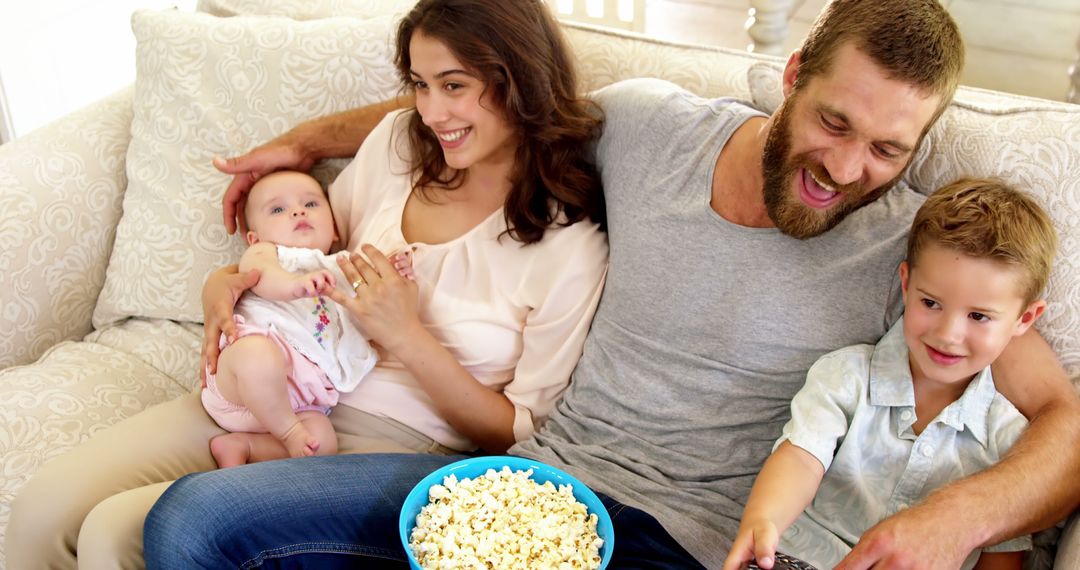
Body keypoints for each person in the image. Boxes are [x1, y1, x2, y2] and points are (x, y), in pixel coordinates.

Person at [144, 1, 1080, 568]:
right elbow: (494, 101)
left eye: (888, 148)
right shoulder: (649, 130)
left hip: (674, 546)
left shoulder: (908, 255)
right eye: (834, 122)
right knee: (192, 525)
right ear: (791, 77)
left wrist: (959, 518)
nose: (843, 166)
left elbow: (1065, 423)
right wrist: (312, 143)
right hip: (515, 488)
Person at [5, 0, 608, 566]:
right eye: (421, 85)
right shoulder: (400, 145)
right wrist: (225, 280)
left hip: (396, 443)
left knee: (117, 532)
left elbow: (518, 433)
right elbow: (305, 252)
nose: (431, 111)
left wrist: (406, 334)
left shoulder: (567, 244)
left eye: (454, 86)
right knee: (44, 511)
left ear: (521, 81)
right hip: (279, 380)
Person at [723, 178, 1058, 570]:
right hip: (805, 559)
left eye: (978, 316)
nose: (948, 334)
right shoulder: (846, 377)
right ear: (906, 283)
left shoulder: (1010, 441)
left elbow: (1001, 550)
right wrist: (765, 519)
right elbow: (800, 457)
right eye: (931, 302)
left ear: (1025, 319)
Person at [202, 170, 390, 466]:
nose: (298, 211)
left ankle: (246, 446)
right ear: (254, 238)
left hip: (298, 402)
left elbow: (369, 310)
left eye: (311, 204)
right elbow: (265, 278)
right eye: (278, 209)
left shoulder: (342, 268)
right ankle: (288, 433)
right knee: (258, 357)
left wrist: (394, 272)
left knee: (322, 441)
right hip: (242, 385)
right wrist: (294, 285)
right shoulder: (268, 254)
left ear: (335, 229)